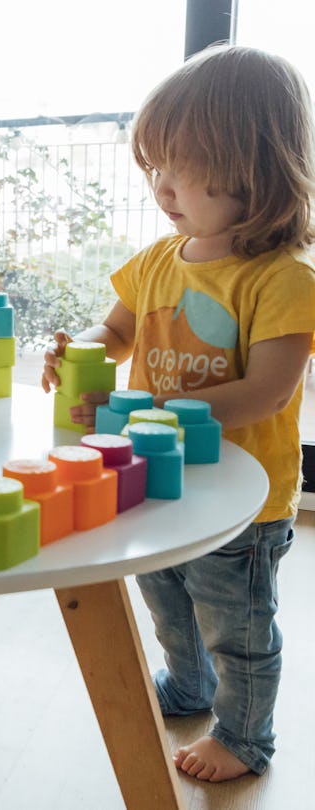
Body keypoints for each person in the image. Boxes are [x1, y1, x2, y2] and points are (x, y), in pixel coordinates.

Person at [42, 45, 315, 782]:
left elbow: (269, 391)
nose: (161, 186)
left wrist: (152, 410)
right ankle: (188, 688)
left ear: (252, 171)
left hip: (243, 497)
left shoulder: (283, 278)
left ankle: (244, 736)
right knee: (165, 593)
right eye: (153, 166)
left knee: (237, 623)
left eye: (181, 167)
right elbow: (117, 330)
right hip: (159, 478)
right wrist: (81, 353)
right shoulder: (159, 260)